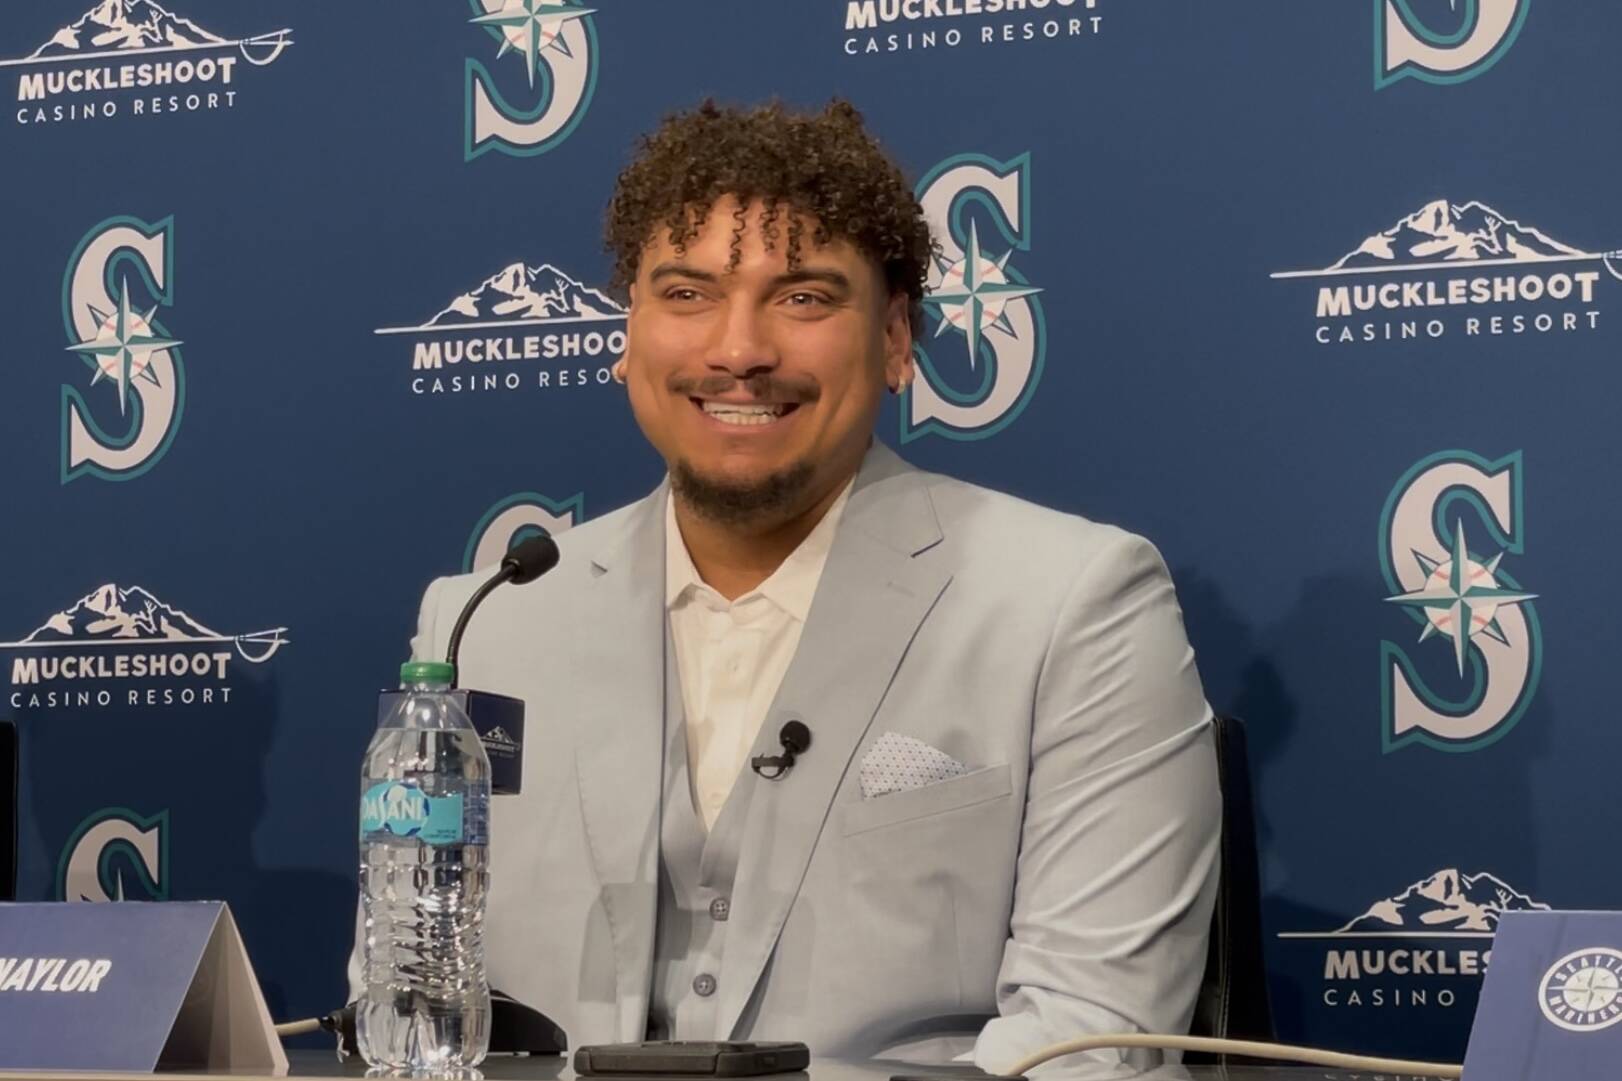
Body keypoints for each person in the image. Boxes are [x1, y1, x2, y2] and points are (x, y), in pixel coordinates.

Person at [362, 99, 1220, 1071]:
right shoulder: (486, 621)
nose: (738, 348)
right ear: (627, 332)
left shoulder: (1073, 604)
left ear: (896, 338)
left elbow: (1089, 1043)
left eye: (804, 296)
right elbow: (405, 1002)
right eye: (685, 293)